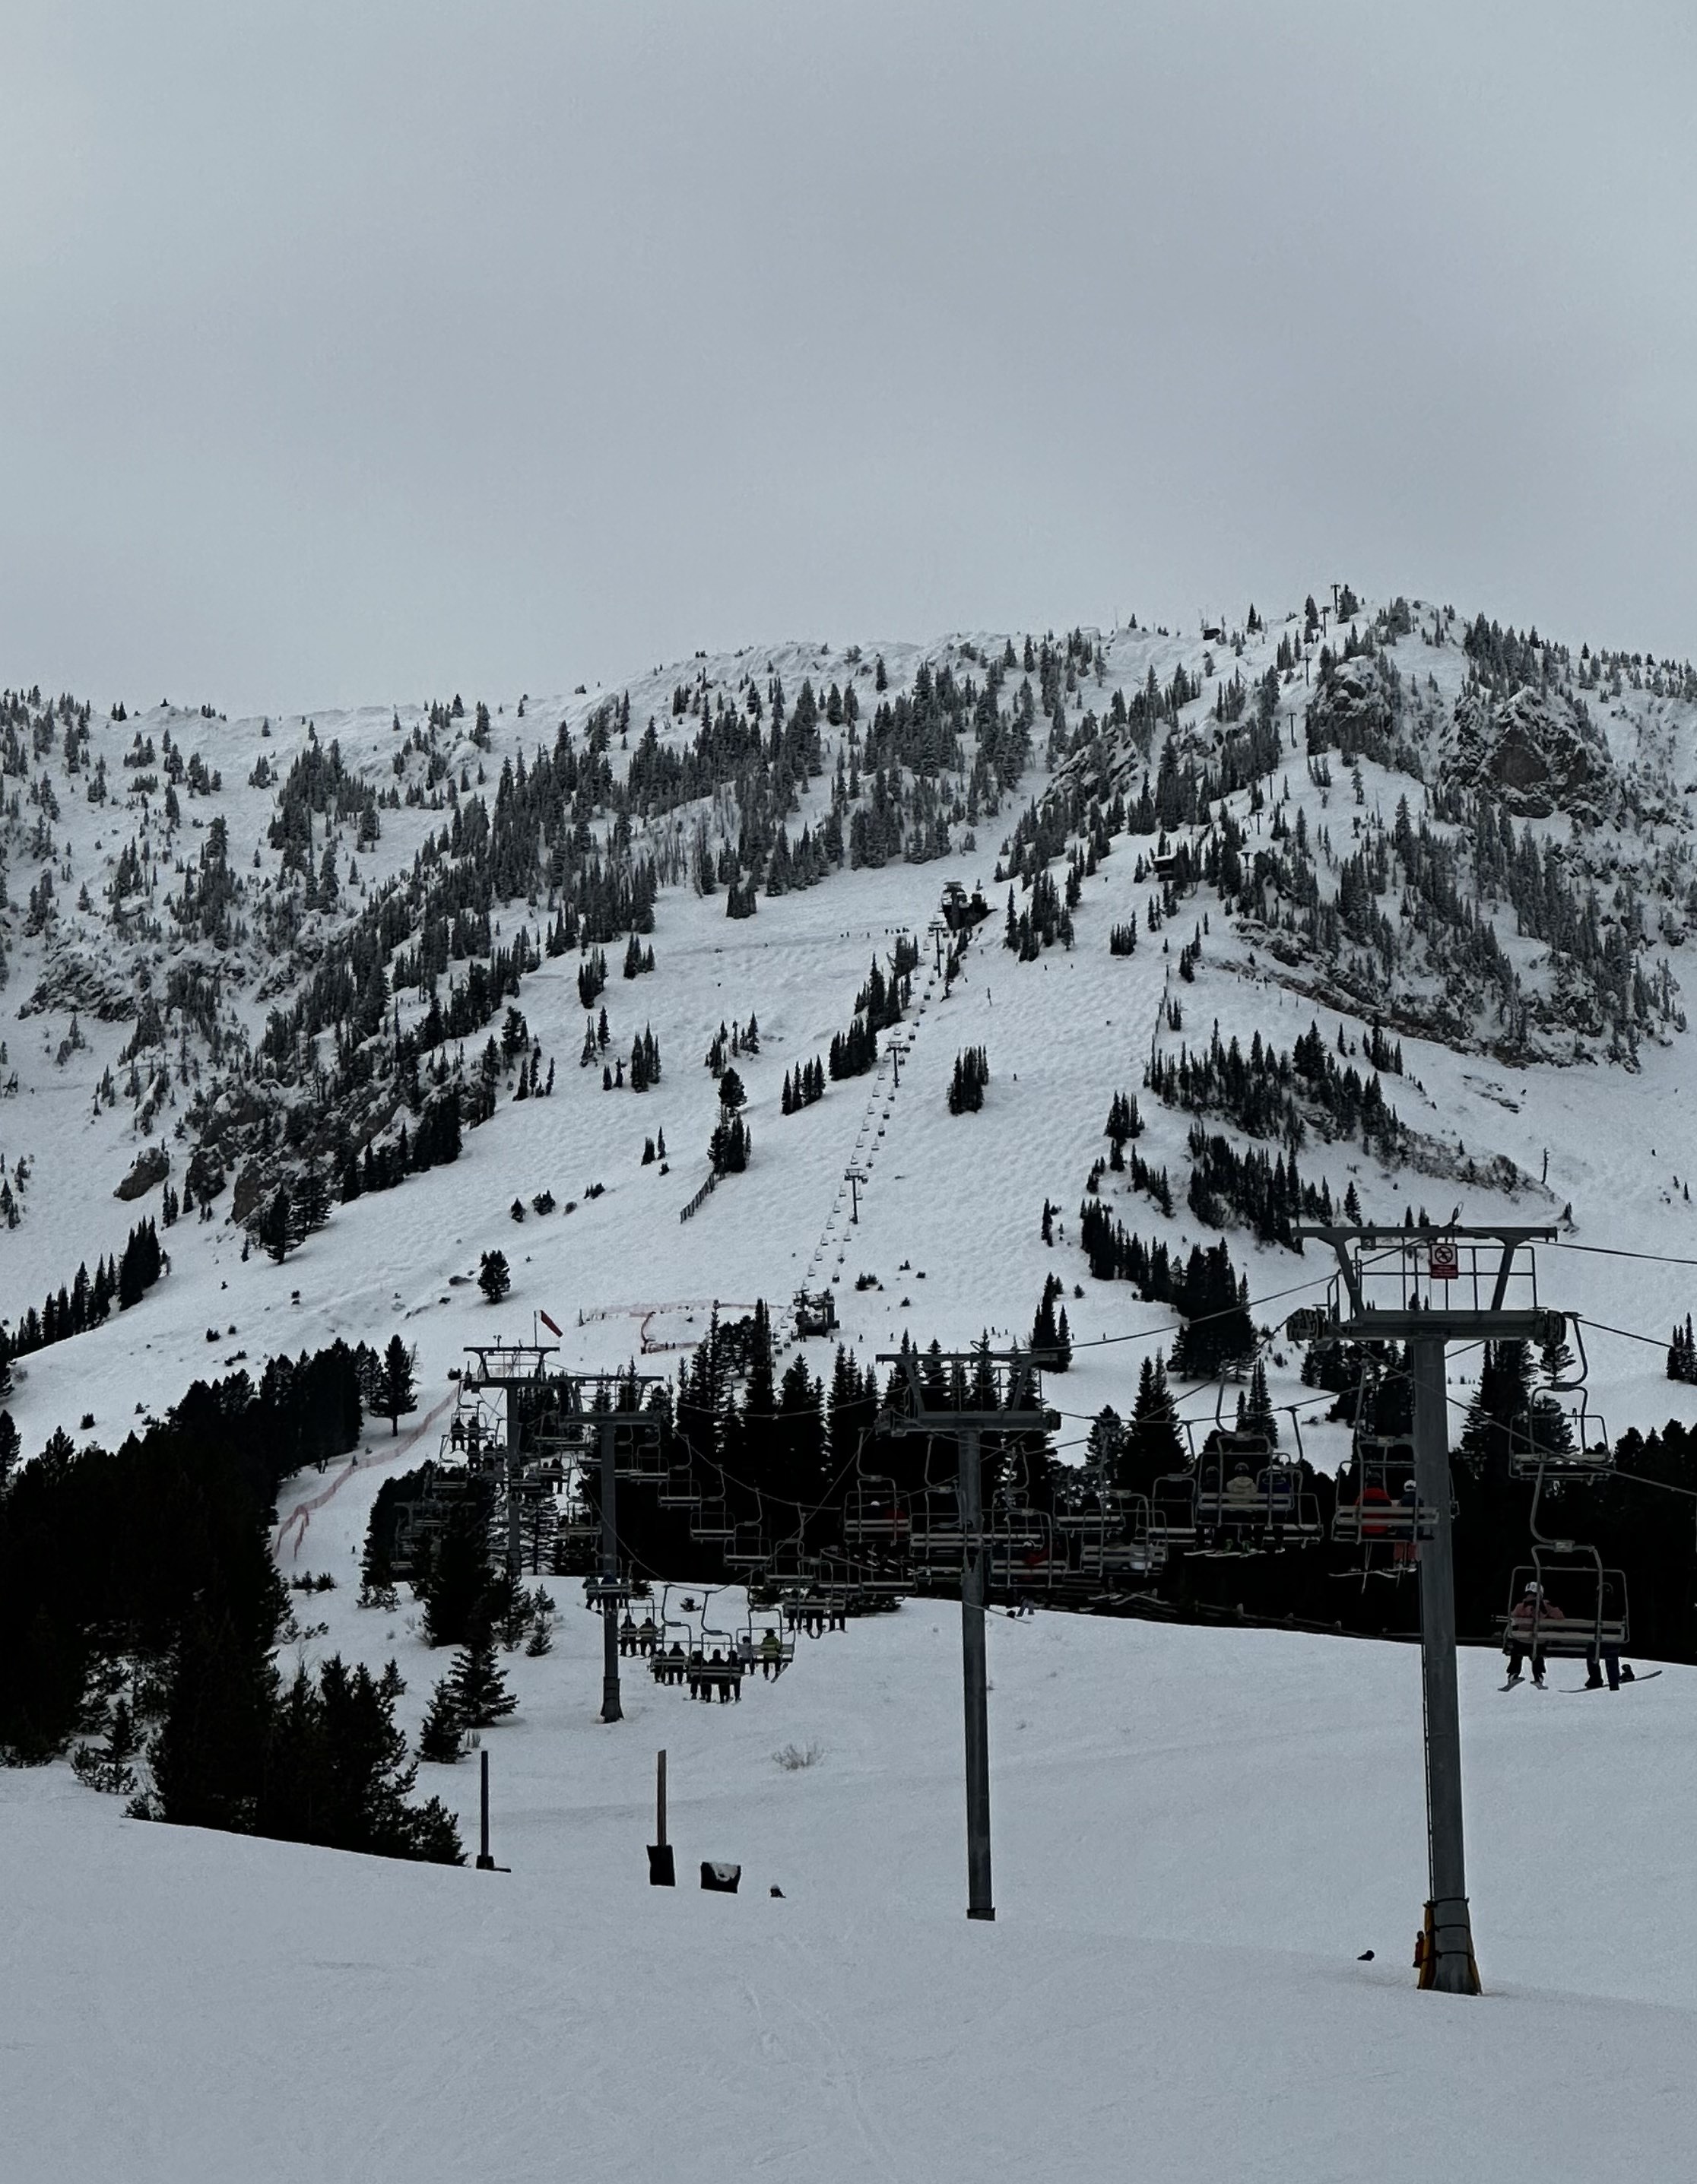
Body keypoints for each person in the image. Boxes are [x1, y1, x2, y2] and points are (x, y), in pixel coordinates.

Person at [1505, 1581, 1562, 1686]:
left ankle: (1514, 1672)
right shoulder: (1547, 1607)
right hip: (1539, 1642)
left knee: (1516, 1651)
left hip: (1522, 1642)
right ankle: (1538, 1674)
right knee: (1537, 1653)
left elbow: (1512, 1619)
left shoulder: (1521, 1606)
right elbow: (1560, 1618)